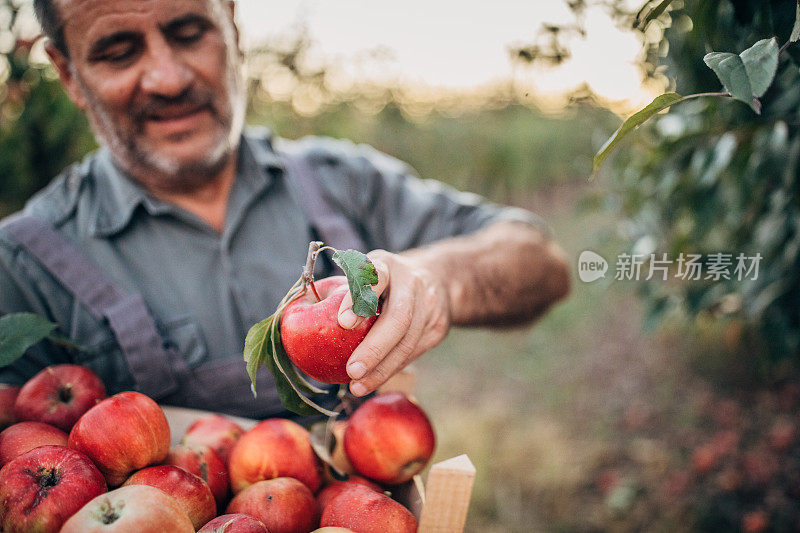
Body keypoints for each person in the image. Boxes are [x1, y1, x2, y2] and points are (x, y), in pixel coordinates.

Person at [0, 0, 571, 418]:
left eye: (190, 32)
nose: (168, 79)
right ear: (71, 76)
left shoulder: (336, 181)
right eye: (118, 53)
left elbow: (539, 259)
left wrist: (442, 280)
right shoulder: (24, 267)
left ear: (233, 26)